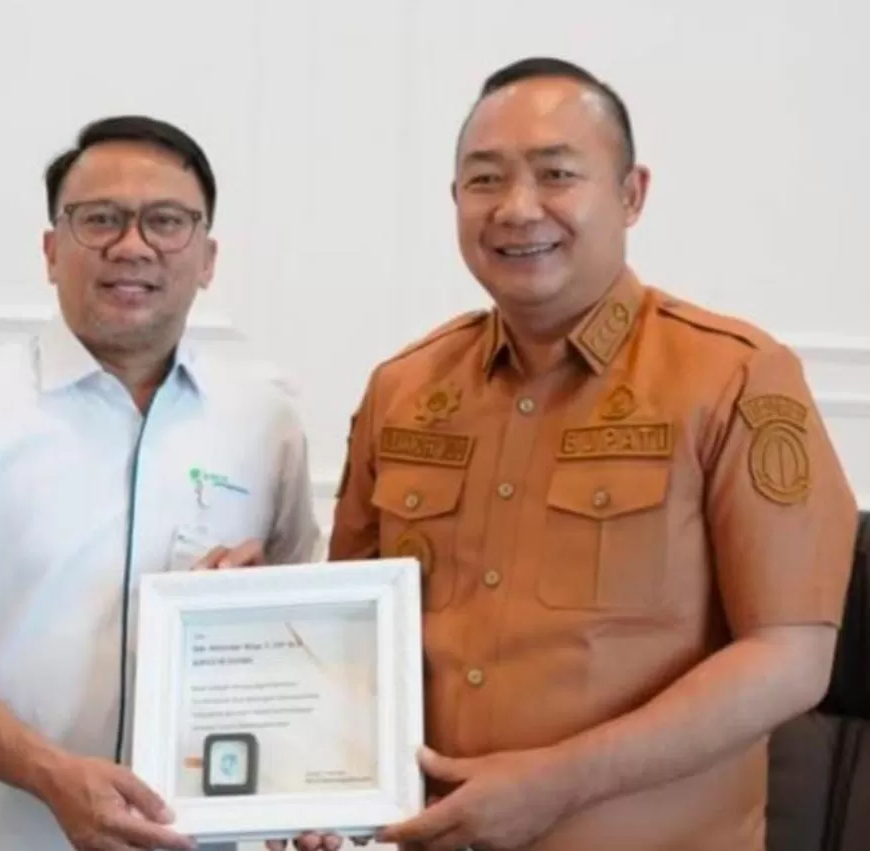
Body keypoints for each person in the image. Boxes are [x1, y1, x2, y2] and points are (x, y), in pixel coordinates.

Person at [316, 57, 859, 851]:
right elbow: (345, 630)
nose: (517, 208)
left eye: (557, 174)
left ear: (632, 194)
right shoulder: (401, 388)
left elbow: (791, 657)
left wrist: (557, 783)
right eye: (485, 179)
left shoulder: (737, 377)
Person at [0, 115, 319, 851]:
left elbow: (304, 635)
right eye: (100, 219)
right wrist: (50, 774)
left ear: (207, 258)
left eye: (166, 221)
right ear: (52, 251)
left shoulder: (265, 422)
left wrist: (256, 608)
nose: (132, 246)